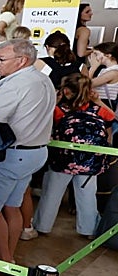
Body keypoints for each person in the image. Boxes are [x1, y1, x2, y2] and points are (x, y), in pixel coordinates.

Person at [0, 38, 56, 274]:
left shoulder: (14, 85)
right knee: (12, 206)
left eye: (1, 59)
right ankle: (7, 260)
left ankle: (3, 263)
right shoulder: (43, 80)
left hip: (9, 156)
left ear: (21, 60)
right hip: (35, 153)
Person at [31, 74, 113, 238]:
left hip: (62, 161)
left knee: (51, 194)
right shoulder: (98, 110)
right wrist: (97, 101)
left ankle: (42, 226)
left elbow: (45, 123)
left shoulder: (59, 110)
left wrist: (55, 99)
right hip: (90, 162)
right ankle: (88, 230)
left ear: (66, 91)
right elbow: (111, 122)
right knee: (87, 196)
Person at [89, 42, 118, 109]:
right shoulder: (105, 70)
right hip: (99, 102)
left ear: (108, 55)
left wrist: (92, 68)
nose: (95, 58)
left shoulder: (114, 72)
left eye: (96, 54)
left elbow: (87, 84)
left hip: (104, 103)